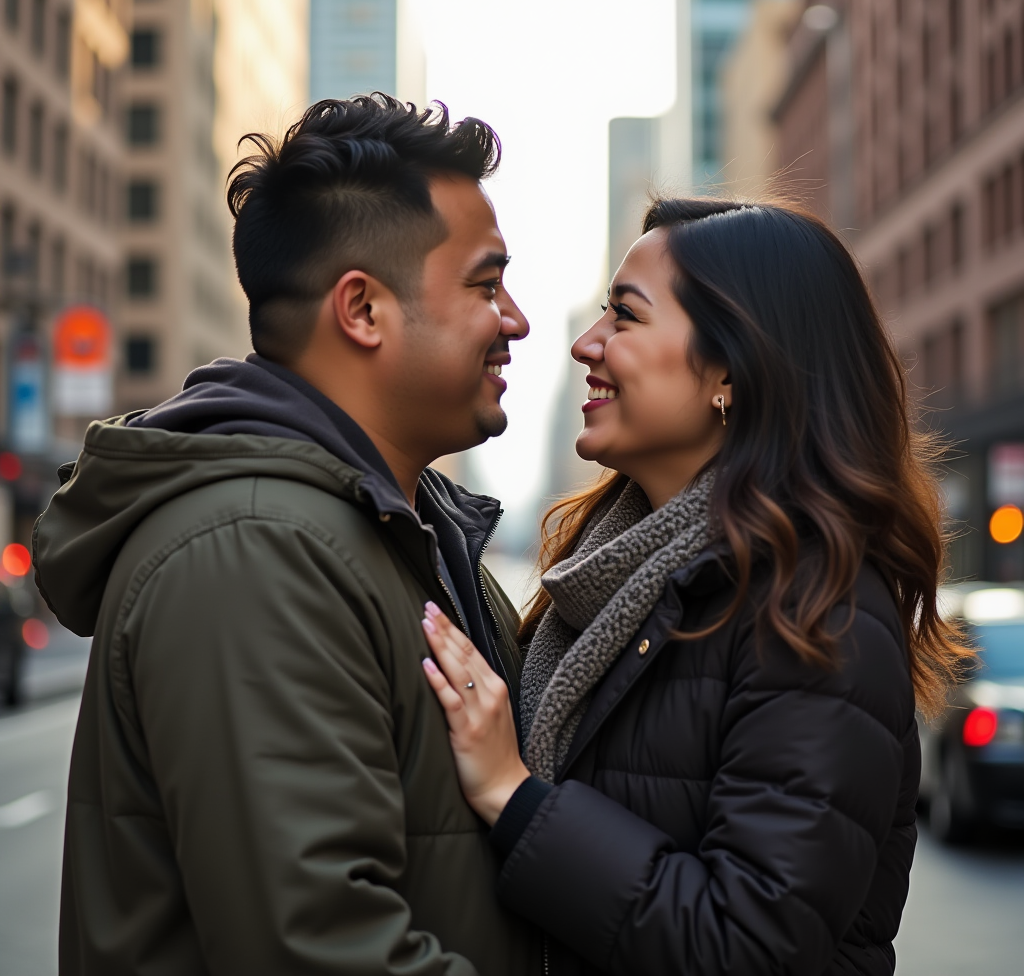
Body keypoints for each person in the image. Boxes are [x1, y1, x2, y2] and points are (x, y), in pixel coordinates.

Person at [34, 95, 543, 975]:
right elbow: (323, 948)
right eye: (485, 284)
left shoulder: (405, 529)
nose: (517, 321)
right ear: (364, 311)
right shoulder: (253, 548)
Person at [420, 198, 973, 976]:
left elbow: (751, 944)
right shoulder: (611, 570)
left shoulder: (818, 608)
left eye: (625, 317)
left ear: (729, 371)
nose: (586, 344)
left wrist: (516, 797)